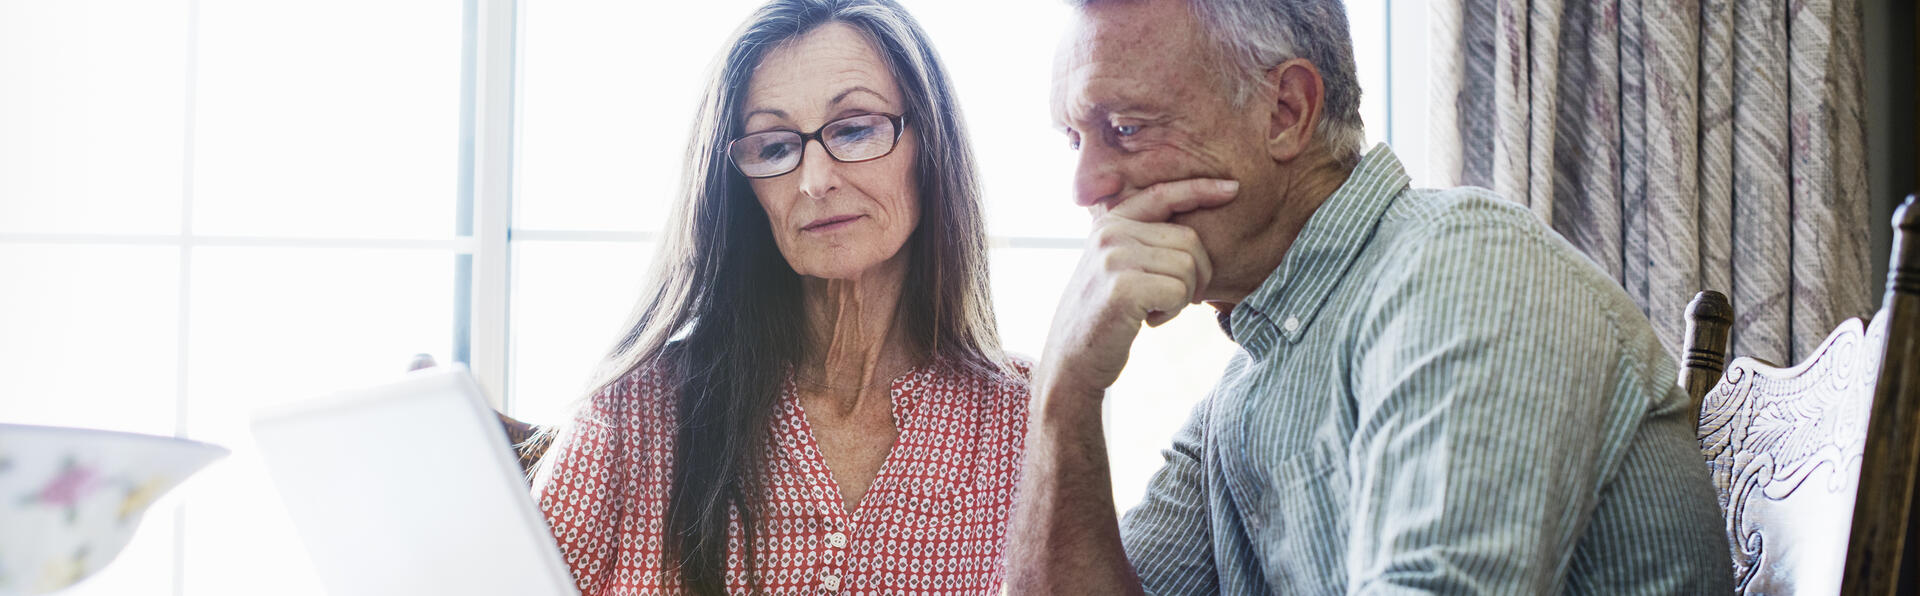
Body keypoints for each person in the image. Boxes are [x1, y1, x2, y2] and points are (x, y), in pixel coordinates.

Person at [1007, 0, 1732, 593]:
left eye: (1126, 128)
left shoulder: (1460, 270)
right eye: (1075, 138)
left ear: (1286, 111)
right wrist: (1064, 394)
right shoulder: (1250, 380)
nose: (1085, 186)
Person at [530, 1, 1029, 594]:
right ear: (743, 191)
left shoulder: (1024, 419)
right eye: (772, 148)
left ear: (931, 146)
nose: (815, 181)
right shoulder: (630, 410)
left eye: (855, 128)